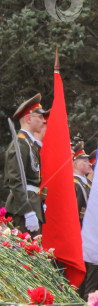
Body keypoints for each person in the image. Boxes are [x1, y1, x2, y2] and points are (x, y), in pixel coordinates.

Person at [4, 94, 49, 235]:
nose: (43, 120)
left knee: (35, 254)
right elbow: (15, 181)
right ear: (28, 119)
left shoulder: (30, 144)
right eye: (40, 117)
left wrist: (38, 204)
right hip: (22, 209)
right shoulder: (20, 145)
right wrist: (28, 210)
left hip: (32, 203)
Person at [72, 141, 98, 298]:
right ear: (75, 163)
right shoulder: (75, 184)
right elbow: (76, 213)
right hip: (83, 236)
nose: (88, 164)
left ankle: (89, 304)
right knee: (85, 277)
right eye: (84, 160)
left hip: (89, 236)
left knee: (92, 275)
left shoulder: (84, 184)